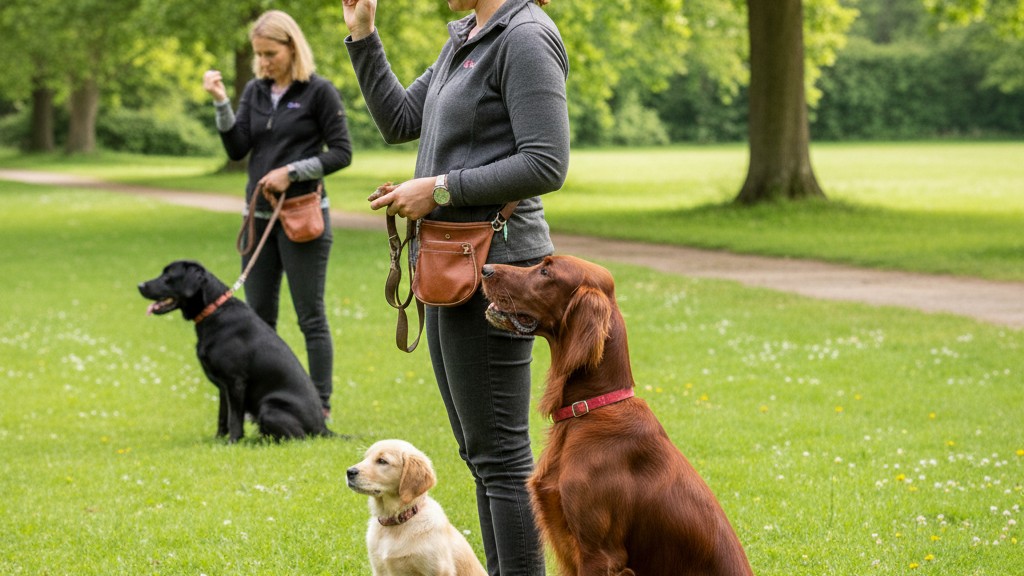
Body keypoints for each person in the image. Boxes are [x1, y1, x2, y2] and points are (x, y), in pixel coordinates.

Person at [341, 0, 569, 574]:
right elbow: (398, 120)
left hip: (499, 272)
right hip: (448, 265)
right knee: (481, 453)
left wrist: (439, 188)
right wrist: (363, 35)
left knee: (501, 456)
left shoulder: (525, 36)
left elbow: (546, 162)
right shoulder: (469, 36)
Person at [202, 10, 352, 420]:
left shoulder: (319, 92)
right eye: (258, 55)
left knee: (311, 317)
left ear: (292, 47)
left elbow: (342, 152)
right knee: (257, 319)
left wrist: (293, 172)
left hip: (304, 218)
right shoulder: (254, 90)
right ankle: (254, 406)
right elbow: (237, 148)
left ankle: (319, 406)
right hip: (259, 219)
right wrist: (220, 103)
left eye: (270, 54)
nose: (264, 62)